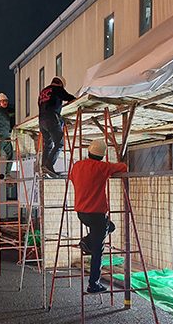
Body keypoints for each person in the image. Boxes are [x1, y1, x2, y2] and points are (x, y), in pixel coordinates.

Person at [71, 139, 127, 294]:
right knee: (98, 251)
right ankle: (93, 284)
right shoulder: (103, 167)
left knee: (110, 227)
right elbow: (123, 167)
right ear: (102, 156)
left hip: (82, 213)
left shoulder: (77, 166)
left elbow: (72, 178)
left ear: (88, 151)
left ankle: (87, 242)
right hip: (97, 216)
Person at [38, 76, 75, 177]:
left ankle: (43, 167)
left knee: (48, 144)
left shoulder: (43, 91)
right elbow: (69, 98)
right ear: (61, 84)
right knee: (59, 143)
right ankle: (49, 165)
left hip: (41, 121)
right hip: (51, 119)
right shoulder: (57, 89)